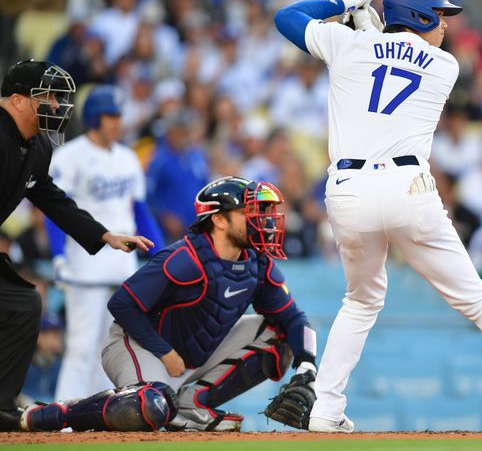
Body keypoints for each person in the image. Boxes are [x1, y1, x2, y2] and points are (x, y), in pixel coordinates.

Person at [274, 0, 482, 435]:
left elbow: (287, 18)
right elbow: (389, 54)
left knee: (361, 300)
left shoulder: (347, 45)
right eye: (440, 15)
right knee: (478, 299)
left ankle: (326, 409)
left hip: (348, 190)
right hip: (409, 187)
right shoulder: (444, 66)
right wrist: (368, 21)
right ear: (420, 17)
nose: (445, 24)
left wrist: (345, 4)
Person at [20, 177, 318, 432]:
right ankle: (61, 413)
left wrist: (307, 365)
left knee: (280, 338)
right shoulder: (185, 258)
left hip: (190, 356)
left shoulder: (257, 262)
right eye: (249, 211)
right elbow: (122, 304)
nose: (261, 219)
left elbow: (294, 319)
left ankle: (192, 407)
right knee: (148, 407)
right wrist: (165, 353)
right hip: (138, 345)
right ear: (218, 218)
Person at [0, 60, 152, 431]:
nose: (55, 104)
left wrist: (103, 235)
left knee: (23, 303)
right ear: (18, 100)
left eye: (56, 96)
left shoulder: (35, 146)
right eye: (46, 96)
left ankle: (1, 407)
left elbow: (50, 198)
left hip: (107, 268)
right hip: (84, 277)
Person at [45, 85, 165, 401]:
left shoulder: (127, 157)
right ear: (94, 118)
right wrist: (58, 255)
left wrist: (160, 252)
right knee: (81, 346)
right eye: (110, 116)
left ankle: (98, 414)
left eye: (118, 116)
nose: (117, 122)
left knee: (110, 349)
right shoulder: (69, 156)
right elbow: (54, 210)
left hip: (122, 268)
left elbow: (140, 210)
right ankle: (63, 414)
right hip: (85, 266)